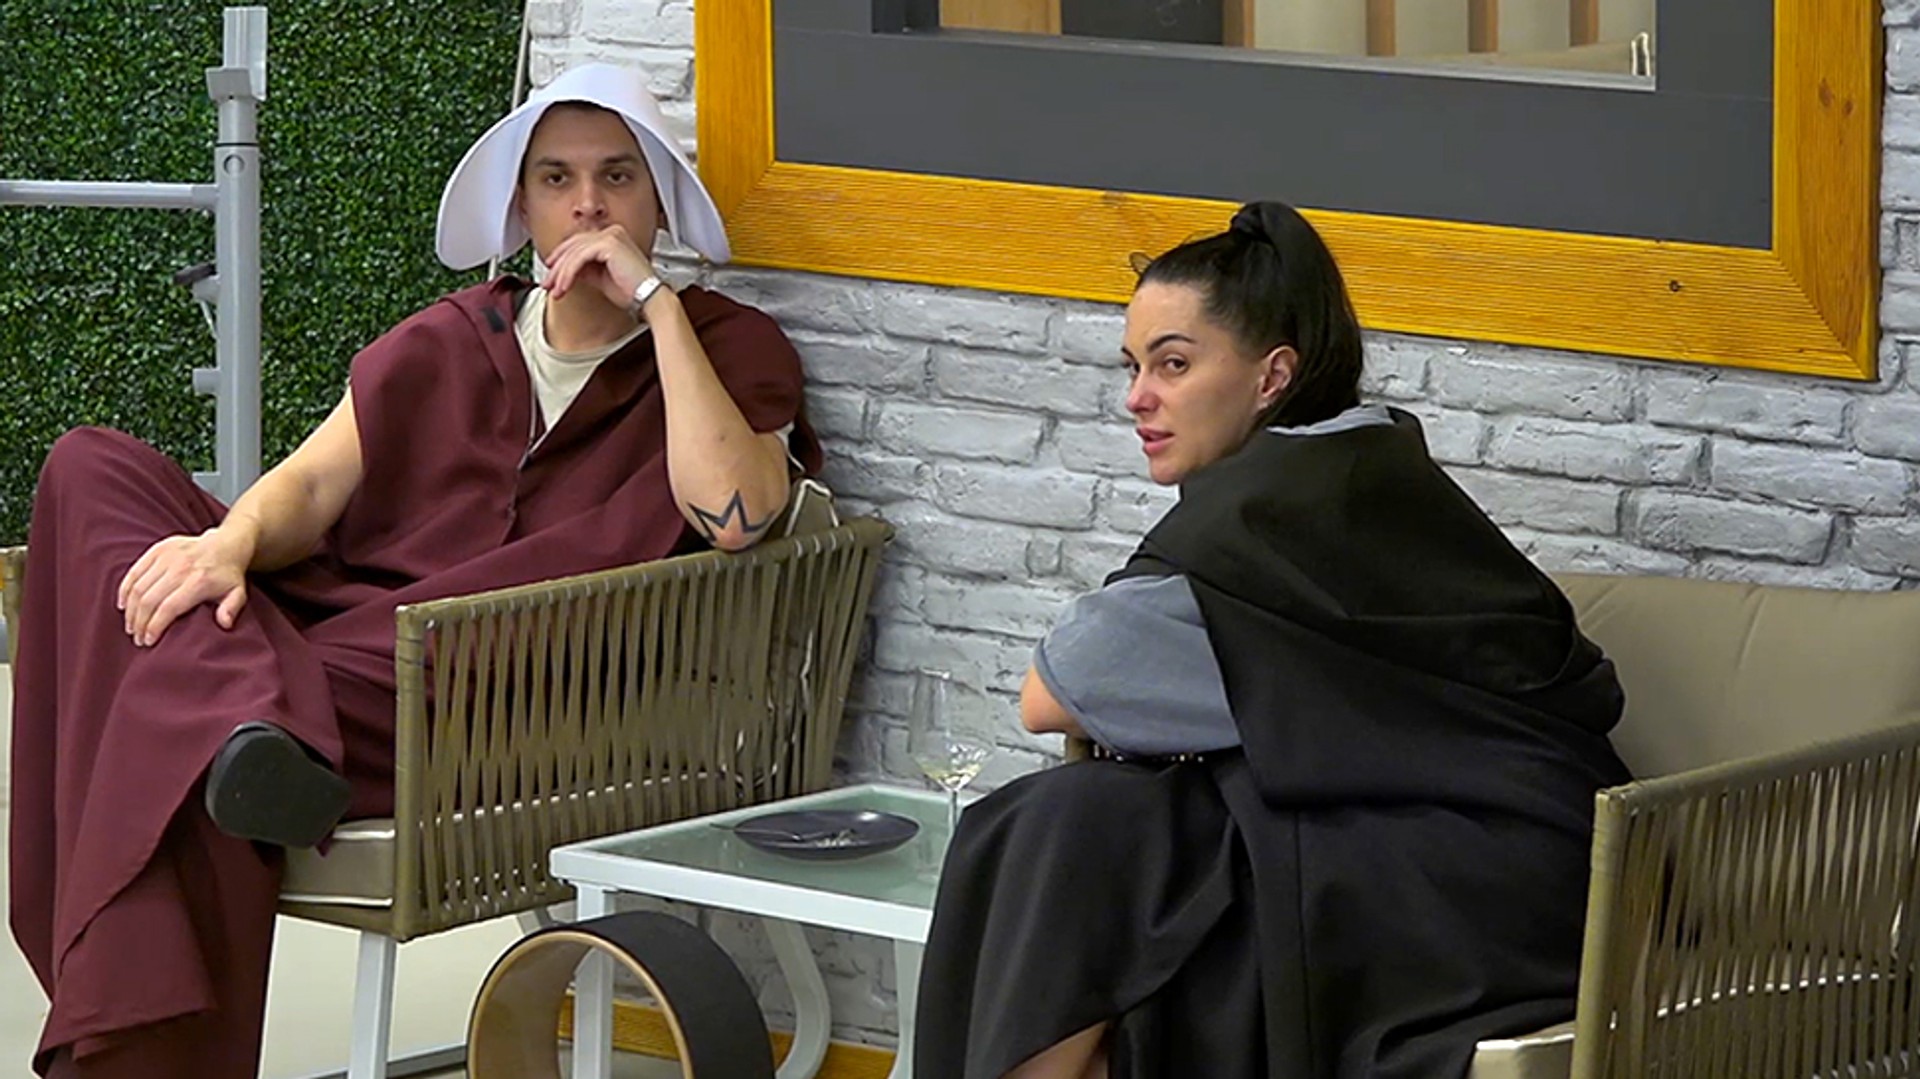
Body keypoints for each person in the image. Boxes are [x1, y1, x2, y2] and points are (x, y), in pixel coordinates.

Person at [8, 63, 820, 1079]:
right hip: (324, 639)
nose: (588, 205)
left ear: (657, 202)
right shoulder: (455, 333)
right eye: (557, 179)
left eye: (618, 177)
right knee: (90, 464)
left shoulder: (724, 347)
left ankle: (234, 740)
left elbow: (735, 513)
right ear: (522, 207)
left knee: (167, 704)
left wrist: (657, 307)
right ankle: (248, 730)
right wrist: (227, 545)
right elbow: (309, 485)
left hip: (473, 680)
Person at [914, 202, 1631, 1079]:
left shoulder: (1278, 508)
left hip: (1471, 879)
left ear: (1272, 376)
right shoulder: (1365, 467)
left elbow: (1048, 695)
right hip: (1499, 853)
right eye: (1134, 366)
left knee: (1073, 833)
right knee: (1082, 825)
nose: (1138, 397)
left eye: (1174, 364)